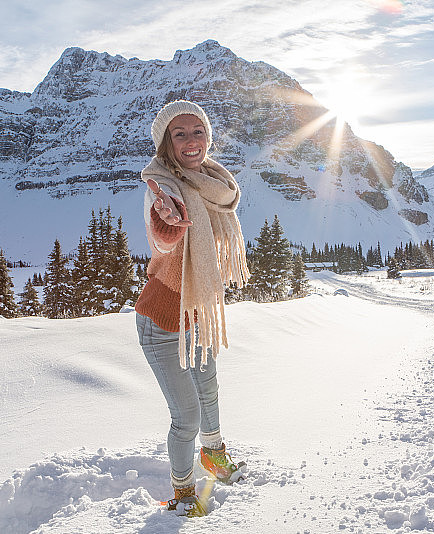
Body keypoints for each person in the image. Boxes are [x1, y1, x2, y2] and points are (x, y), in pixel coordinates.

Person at [134, 100, 250, 516]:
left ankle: (213, 457)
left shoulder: (213, 182)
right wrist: (168, 221)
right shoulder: (163, 188)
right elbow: (163, 234)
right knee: (186, 416)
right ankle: (183, 494)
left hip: (197, 313)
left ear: (208, 137)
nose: (190, 140)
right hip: (163, 320)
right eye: (179, 133)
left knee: (209, 395)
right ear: (166, 141)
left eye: (197, 131)